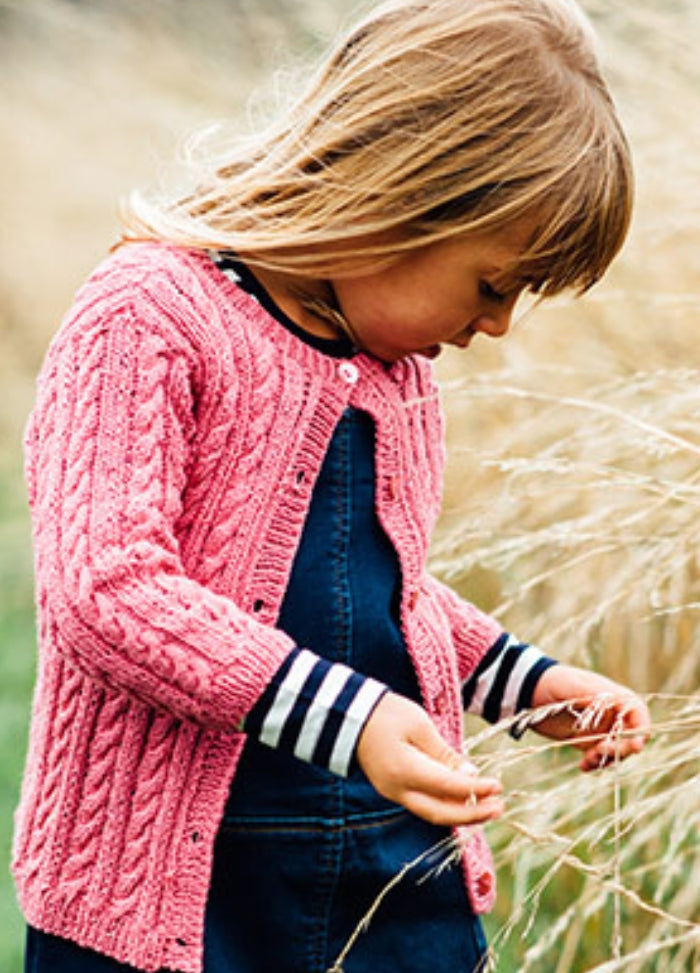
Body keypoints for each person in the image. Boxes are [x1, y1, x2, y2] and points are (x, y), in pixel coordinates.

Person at [14, 1, 651, 971]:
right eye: (492, 285)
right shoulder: (149, 314)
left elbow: (373, 592)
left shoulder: (399, 375)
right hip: (186, 897)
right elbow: (105, 589)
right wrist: (352, 719)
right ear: (400, 195)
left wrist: (523, 683)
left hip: (389, 876)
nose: (501, 327)